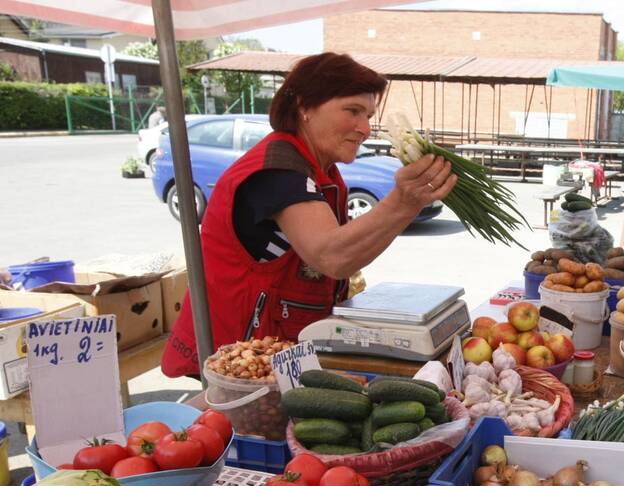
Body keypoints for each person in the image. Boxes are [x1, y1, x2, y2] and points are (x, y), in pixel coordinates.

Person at [161, 53, 455, 377]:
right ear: (305, 106)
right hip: (235, 360)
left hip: (274, 352)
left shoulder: (320, 169)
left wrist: (407, 205)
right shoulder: (278, 170)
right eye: (353, 111)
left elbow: (346, 256)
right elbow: (332, 255)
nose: (365, 129)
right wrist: (402, 203)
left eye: (369, 115)